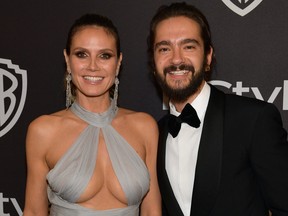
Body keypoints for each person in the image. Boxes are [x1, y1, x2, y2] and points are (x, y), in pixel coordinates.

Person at [147, 2, 288, 216]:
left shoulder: (253, 120)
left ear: (208, 56)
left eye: (189, 47)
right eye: (164, 48)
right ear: (153, 61)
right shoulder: (154, 134)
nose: (176, 59)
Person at [23, 13, 161, 216]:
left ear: (119, 62)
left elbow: (152, 211)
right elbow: (34, 211)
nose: (93, 66)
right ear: (67, 60)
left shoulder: (144, 127)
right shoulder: (43, 131)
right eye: (82, 54)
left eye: (105, 55)